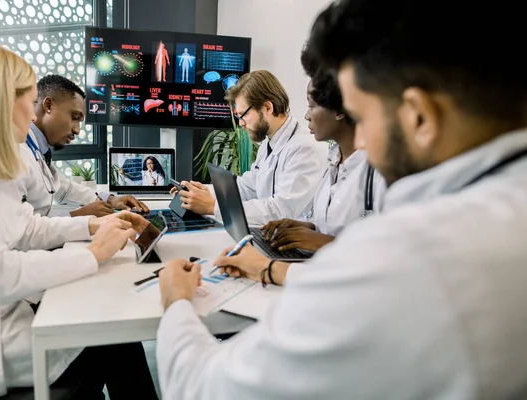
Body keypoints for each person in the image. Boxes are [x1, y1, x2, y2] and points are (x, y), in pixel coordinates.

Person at [155, 0, 527, 398]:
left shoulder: (418, 252)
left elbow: (202, 390)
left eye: (362, 117)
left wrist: (176, 303)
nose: (361, 142)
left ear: (418, 116)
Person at [0, 42, 158, 400]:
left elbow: (28, 227)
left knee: (111, 329)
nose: (33, 116)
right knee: (111, 338)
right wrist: (94, 253)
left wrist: (92, 226)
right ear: (0, 100)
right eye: (28, 101)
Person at [260, 47, 387, 252]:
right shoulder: (335, 161)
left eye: (312, 106)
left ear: (339, 110)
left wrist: (325, 243)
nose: (307, 116)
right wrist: (306, 228)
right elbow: (336, 227)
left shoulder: (380, 173)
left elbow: (388, 252)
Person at [176, 70, 326, 225]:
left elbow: (282, 210)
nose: (241, 123)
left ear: (268, 108)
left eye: (243, 115)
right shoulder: (269, 143)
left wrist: (213, 207)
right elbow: (246, 187)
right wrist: (203, 192)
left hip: (293, 241)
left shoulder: (304, 148)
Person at [18, 74, 148, 217]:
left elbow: (63, 189)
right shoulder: (17, 150)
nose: (77, 130)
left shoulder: (39, 150)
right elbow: (20, 227)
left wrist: (111, 199)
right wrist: (77, 215)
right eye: (74, 118)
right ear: (48, 105)